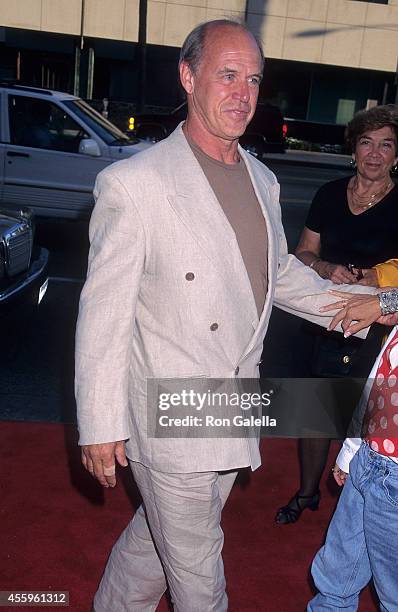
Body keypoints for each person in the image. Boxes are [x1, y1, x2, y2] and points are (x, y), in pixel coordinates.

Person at [75, 20, 373, 611]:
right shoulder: (134, 184)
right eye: (228, 75)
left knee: (154, 545)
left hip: (231, 402)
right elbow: (102, 315)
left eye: (254, 80)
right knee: (199, 576)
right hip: (170, 408)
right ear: (188, 77)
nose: (243, 92)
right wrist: (99, 423)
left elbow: (278, 275)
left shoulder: (261, 178)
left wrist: (370, 307)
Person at [275, 104, 398, 525]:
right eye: (367, 143)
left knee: (365, 418)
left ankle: (361, 505)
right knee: (316, 410)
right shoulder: (329, 193)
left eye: (387, 145)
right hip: (324, 316)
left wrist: (371, 279)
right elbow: (303, 253)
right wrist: (326, 268)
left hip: (379, 325)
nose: (376, 154)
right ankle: (308, 492)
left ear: (397, 156)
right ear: (354, 149)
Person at [307, 288, 398, 611]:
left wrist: (386, 302)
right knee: (335, 576)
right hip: (371, 457)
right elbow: (379, 377)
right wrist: (352, 450)